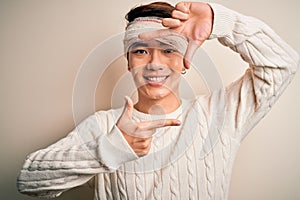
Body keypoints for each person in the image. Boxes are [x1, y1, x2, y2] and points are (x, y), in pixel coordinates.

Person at [17, 1, 299, 200]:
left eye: (168, 50)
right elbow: (29, 181)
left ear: (186, 61)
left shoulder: (219, 115)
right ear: (128, 61)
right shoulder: (104, 126)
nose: (154, 64)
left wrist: (220, 22)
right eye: (140, 51)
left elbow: (283, 64)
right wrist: (111, 148)